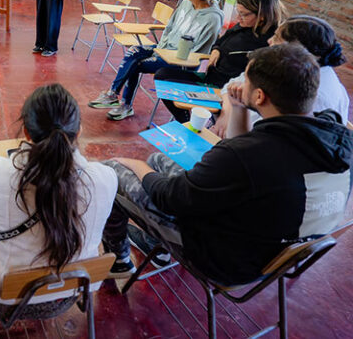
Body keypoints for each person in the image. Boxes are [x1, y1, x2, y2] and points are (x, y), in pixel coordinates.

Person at [101, 44, 352, 286]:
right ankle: (155, 246)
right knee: (158, 160)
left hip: (224, 260)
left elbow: (171, 198)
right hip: (270, 249)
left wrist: (133, 164)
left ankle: (120, 261)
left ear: (260, 95)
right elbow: (248, 160)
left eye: (246, 79)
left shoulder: (247, 154)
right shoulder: (336, 138)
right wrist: (240, 109)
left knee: (112, 172)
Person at [0, 84, 117, 309]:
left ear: (26, 132)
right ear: (79, 130)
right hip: (69, 291)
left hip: (2, 295)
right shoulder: (107, 178)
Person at [89, 0, 229, 121]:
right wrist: (160, 50)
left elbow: (199, 52)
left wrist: (167, 56)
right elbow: (169, 27)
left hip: (182, 61)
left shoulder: (213, 18)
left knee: (136, 64)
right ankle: (113, 94)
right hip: (164, 50)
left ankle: (125, 104)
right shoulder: (186, 2)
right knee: (134, 51)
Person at [154, 0, 283, 122]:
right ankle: (184, 119)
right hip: (209, 76)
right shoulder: (244, 26)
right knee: (162, 75)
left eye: (243, 14)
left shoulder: (267, 43)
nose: (238, 18)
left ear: (262, 16)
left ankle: (189, 122)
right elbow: (221, 40)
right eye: (237, 12)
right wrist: (217, 49)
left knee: (168, 84)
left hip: (221, 90)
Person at [211, 15, 349, 138]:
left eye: (277, 38)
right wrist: (227, 112)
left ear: (298, 50)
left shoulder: (309, 93)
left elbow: (260, 142)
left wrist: (233, 114)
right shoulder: (290, 68)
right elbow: (234, 84)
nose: (269, 41)